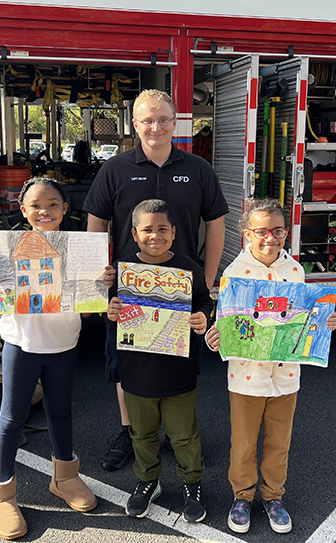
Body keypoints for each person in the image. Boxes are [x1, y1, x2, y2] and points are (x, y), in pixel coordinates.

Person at [84, 89, 228, 471]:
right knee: (126, 362)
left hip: (183, 289)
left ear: (176, 122)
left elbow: (215, 224)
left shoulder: (198, 169)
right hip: (129, 289)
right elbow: (96, 224)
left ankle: (179, 433)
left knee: (179, 359)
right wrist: (99, 275)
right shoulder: (114, 170)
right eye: (148, 119)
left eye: (164, 119)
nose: (156, 126)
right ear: (135, 124)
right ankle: (131, 430)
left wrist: (208, 280)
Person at [0, 175, 114, 541]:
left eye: (52, 205)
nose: (44, 211)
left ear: (65, 208)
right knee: (12, 417)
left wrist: (104, 279)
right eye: (35, 205)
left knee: (61, 411)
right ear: (23, 210)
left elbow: (91, 296)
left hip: (64, 342)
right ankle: (2, 492)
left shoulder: (78, 247)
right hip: (21, 342)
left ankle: (65, 477)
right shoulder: (6, 246)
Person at [205, 198, 336, 535]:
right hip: (246, 377)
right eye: (261, 231)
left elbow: (302, 317)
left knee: (280, 441)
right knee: (244, 442)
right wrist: (214, 337)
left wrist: (324, 321)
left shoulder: (294, 269)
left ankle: (273, 495)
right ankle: (242, 495)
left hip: (286, 374)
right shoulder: (234, 274)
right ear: (247, 233)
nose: (270, 238)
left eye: (278, 230)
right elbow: (225, 324)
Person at [106, 199, 213, 522]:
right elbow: (109, 313)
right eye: (147, 229)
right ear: (135, 234)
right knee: (142, 433)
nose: (156, 235)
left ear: (174, 232)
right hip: (136, 370)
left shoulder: (188, 268)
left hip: (179, 370)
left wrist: (202, 318)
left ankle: (192, 483)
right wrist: (109, 314)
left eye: (162, 229)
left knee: (184, 435)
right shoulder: (123, 270)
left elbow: (204, 302)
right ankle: (147, 481)